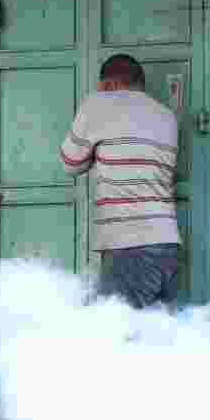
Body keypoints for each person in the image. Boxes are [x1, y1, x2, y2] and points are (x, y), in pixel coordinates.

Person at [59, 54, 182, 309]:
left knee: (120, 339)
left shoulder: (98, 105)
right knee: (163, 340)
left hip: (129, 245)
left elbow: (70, 163)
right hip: (167, 244)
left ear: (108, 85)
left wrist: (94, 152)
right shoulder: (166, 115)